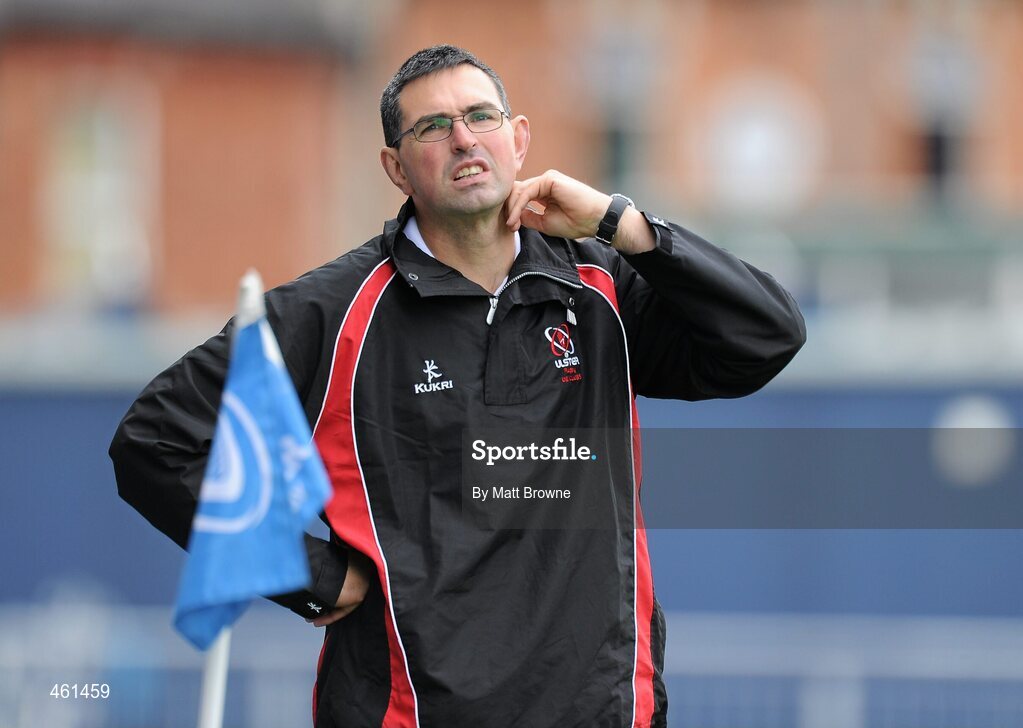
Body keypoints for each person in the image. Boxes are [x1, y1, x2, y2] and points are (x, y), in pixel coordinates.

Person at [110, 45, 805, 728]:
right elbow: (154, 443)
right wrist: (311, 576)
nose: (464, 139)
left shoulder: (599, 284)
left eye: (481, 117)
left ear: (518, 139)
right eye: (433, 127)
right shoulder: (329, 312)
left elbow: (767, 335)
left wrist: (620, 223)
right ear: (396, 167)